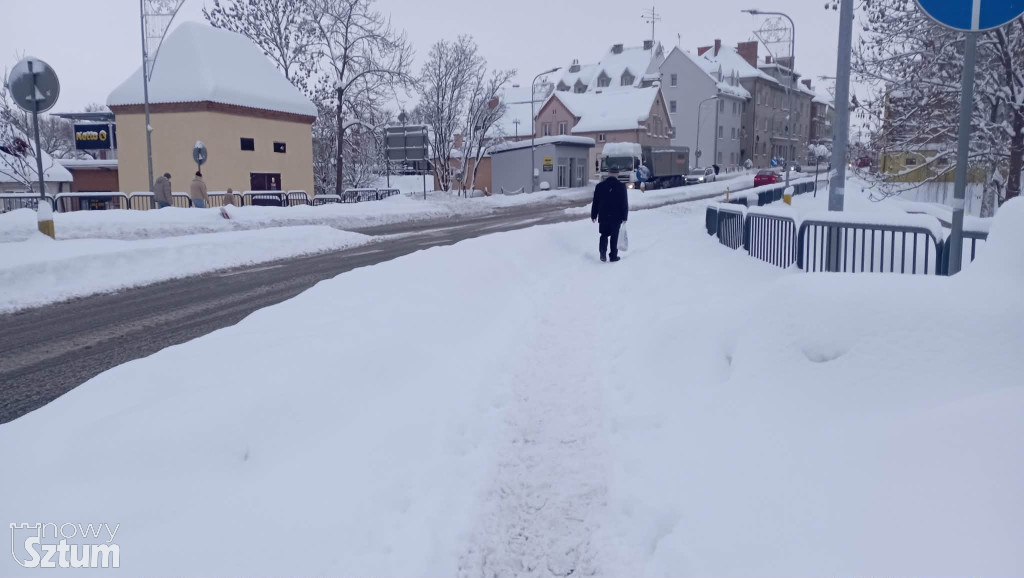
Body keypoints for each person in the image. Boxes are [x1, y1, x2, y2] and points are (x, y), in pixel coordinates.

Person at [590, 167, 629, 262]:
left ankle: (603, 253)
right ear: (617, 174)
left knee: (603, 234)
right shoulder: (621, 186)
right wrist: (624, 217)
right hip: (616, 217)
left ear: (608, 174)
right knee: (614, 236)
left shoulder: (600, 186)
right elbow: (624, 203)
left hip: (603, 216)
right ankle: (613, 256)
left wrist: (594, 215)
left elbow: (595, 202)